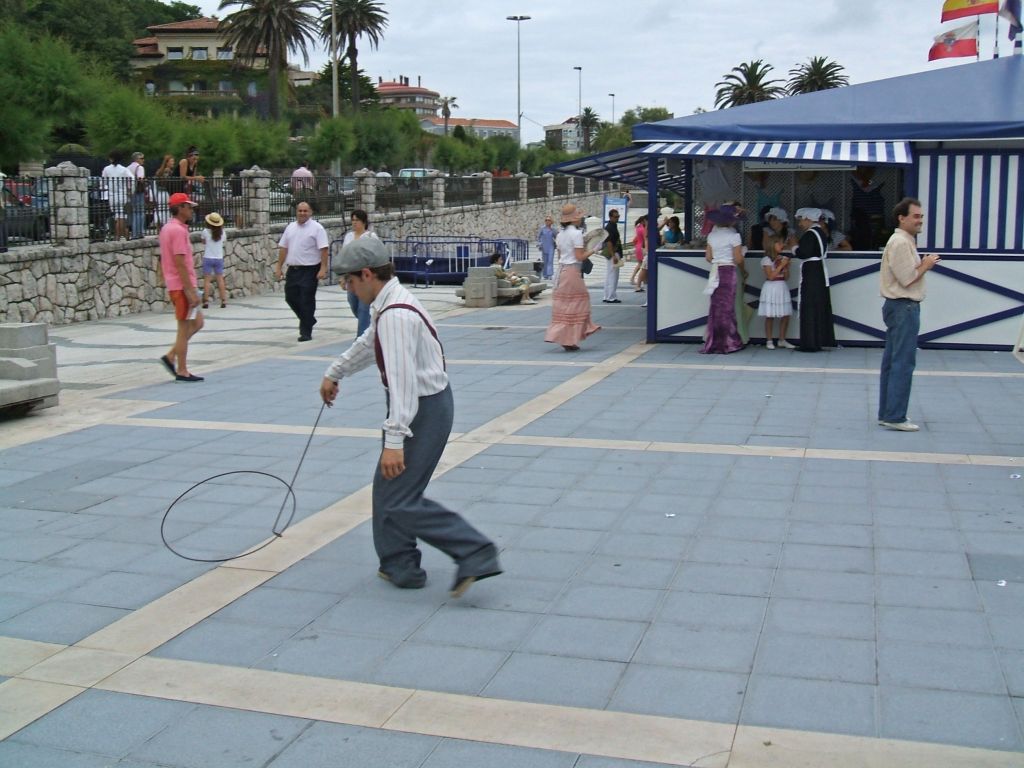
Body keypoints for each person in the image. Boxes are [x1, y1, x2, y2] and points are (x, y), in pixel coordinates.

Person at [320, 237, 502, 597]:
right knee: (389, 490)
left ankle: (475, 551)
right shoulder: (389, 304)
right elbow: (370, 342)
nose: (348, 288)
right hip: (421, 406)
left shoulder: (397, 315)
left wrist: (394, 441)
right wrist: (336, 371)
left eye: (350, 281)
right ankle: (398, 563)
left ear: (368, 274)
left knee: (399, 497)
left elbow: (402, 384)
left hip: (423, 409)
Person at [877, 197, 941, 432]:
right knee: (902, 362)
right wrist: (926, 264)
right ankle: (895, 415)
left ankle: (888, 412)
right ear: (901, 218)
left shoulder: (901, 241)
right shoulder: (901, 243)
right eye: (915, 216)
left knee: (892, 361)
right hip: (904, 306)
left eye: (921, 216)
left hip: (897, 306)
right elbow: (907, 279)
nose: (919, 220)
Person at [157, 192, 204, 382]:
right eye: (189, 207)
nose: (191, 210)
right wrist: (190, 291)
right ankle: (182, 369)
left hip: (177, 284)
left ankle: (171, 356)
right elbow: (180, 262)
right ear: (181, 208)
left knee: (197, 323)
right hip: (181, 285)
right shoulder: (177, 231)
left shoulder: (168, 228)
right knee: (183, 329)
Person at [545, 203, 601, 351]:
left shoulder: (560, 234)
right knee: (580, 302)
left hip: (562, 272)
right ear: (574, 219)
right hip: (573, 272)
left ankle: (566, 338)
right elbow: (579, 256)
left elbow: (560, 256)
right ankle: (571, 338)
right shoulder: (576, 234)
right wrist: (594, 249)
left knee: (565, 305)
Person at [276, 201, 328, 342]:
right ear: (296, 212)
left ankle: (305, 332)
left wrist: (323, 268)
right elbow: (283, 248)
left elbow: (323, 249)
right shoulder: (290, 228)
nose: (302, 213)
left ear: (310, 212)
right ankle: (309, 319)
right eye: (300, 211)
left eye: (305, 211)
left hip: (310, 269)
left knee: (306, 300)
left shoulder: (317, 228)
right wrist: (278, 267)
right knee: (290, 297)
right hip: (293, 269)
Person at [700, 206, 745, 354]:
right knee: (728, 308)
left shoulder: (712, 236)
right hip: (728, 271)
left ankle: (714, 340)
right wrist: (743, 252)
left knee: (716, 307)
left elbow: (708, 257)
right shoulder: (734, 236)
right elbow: (738, 259)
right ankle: (729, 342)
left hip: (715, 271)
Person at [792, 207, 836, 352]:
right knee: (817, 305)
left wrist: (794, 248)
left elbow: (803, 252)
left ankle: (809, 342)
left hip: (811, 273)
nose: (800, 224)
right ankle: (817, 340)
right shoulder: (821, 233)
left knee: (809, 306)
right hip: (818, 272)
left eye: (801, 220)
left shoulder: (810, 234)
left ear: (808, 219)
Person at [341, 209, 380, 336]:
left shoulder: (370, 237)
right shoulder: (348, 237)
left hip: (365, 278)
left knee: (364, 308)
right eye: (352, 220)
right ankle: (369, 327)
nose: (354, 223)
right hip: (351, 277)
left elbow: (375, 256)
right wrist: (343, 277)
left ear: (363, 221)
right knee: (353, 303)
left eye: (357, 220)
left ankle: (361, 338)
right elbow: (344, 256)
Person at [758, 237, 794, 349]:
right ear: (772, 245)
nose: (782, 246)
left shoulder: (782, 258)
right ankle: (769, 340)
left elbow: (787, 277)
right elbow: (771, 276)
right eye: (779, 243)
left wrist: (786, 268)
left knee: (786, 314)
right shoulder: (766, 259)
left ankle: (782, 339)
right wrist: (781, 265)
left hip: (782, 286)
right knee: (770, 315)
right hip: (771, 287)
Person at [101, 151, 131, 241]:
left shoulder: (106, 169)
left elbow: (103, 182)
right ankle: (121, 236)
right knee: (121, 216)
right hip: (122, 195)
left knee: (117, 216)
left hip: (112, 196)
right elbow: (132, 178)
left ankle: (120, 236)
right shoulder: (124, 169)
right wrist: (130, 189)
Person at [201, 212, 228, 309]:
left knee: (207, 281)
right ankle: (223, 300)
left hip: (208, 257)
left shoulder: (205, 231)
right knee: (220, 280)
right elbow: (223, 241)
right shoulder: (222, 232)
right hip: (219, 258)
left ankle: (206, 301)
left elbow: (203, 242)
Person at [602, 208, 623, 303]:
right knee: (613, 275)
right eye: (615, 217)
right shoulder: (610, 228)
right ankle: (611, 296)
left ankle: (607, 295)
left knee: (609, 275)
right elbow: (609, 242)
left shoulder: (612, 226)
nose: (617, 218)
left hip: (612, 253)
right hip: (613, 253)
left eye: (618, 216)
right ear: (610, 217)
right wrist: (613, 255)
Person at [125, 151, 147, 239]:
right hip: (139, 191)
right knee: (140, 212)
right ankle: (140, 232)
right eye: (142, 158)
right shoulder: (140, 167)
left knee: (134, 213)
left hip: (131, 192)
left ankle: (134, 233)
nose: (143, 160)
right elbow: (140, 179)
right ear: (137, 159)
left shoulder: (127, 168)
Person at [153, 154, 176, 226]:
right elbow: (167, 182)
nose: (173, 163)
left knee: (159, 210)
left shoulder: (160, 171)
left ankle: (159, 229)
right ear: (167, 162)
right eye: (171, 161)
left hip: (159, 193)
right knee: (166, 210)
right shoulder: (167, 171)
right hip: (165, 192)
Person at [630, 214, 648, 292]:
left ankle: (634, 278)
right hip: (642, 247)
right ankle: (637, 280)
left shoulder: (638, 227)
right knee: (643, 265)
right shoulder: (643, 229)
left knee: (640, 264)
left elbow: (634, 240)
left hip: (638, 246)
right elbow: (645, 238)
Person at [537, 214, 557, 279]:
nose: (547, 221)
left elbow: (557, 236)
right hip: (544, 247)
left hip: (551, 246)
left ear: (551, 221)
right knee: (545, 261)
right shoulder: (542, 229)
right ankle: (545, 275)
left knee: (550, 261)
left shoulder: (553, 229)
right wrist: (540, 243)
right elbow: (539, 237)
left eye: (549, 220)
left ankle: (550, 274)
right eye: (546, 220)